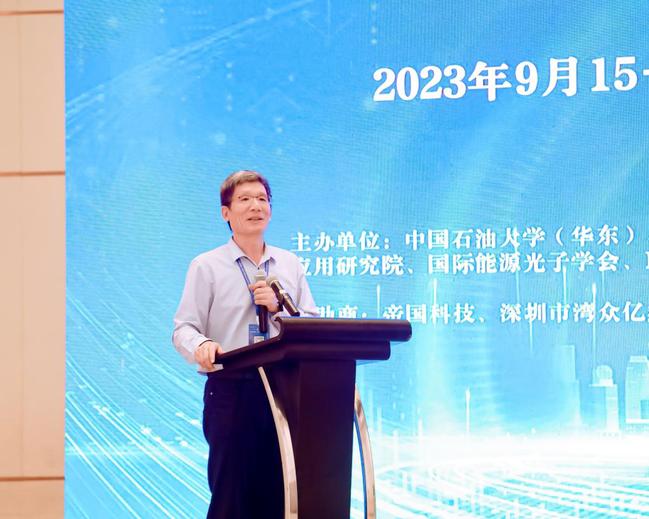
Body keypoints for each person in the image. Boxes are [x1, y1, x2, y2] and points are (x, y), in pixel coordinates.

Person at [172, 170, 318, 518]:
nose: (256, 206)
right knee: (232, 497)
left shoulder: (289, 263)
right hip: (233, 388)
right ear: (226, 213)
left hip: (285, 389)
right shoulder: (206, 266)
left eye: (262, 199)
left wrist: (279, 308)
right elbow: (183, 328)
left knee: (282, 496)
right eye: (245, 199)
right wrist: (202, 345)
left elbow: (313, 325)